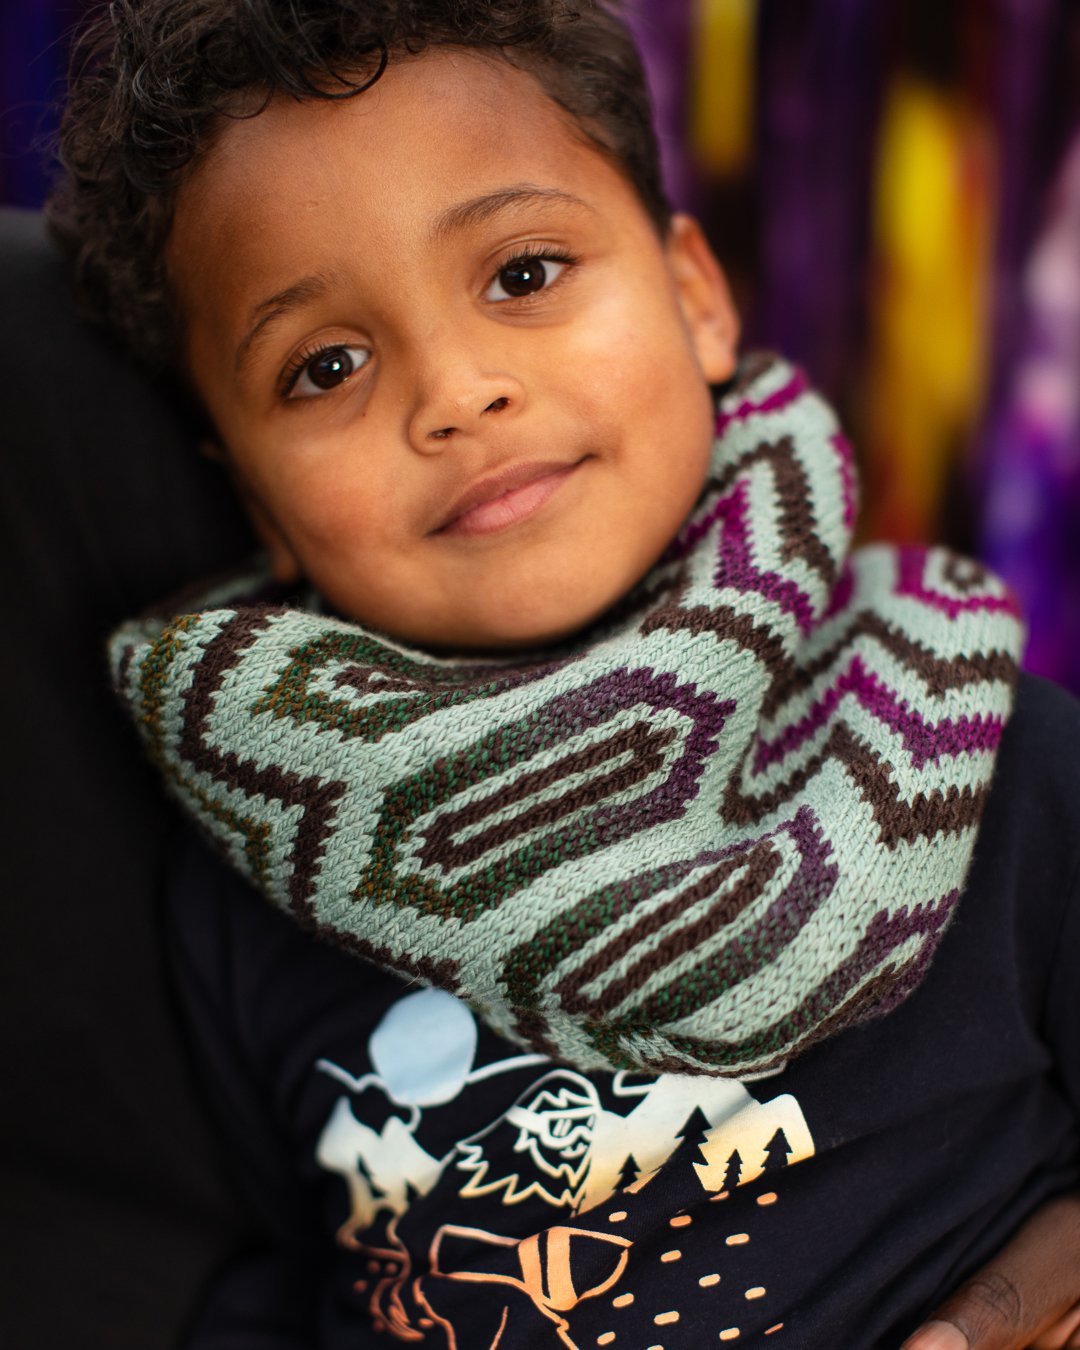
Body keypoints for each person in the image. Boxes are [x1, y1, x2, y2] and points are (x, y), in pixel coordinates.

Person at [47, 1, 1080, 1346]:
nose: (455, 391)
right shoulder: (241, 882)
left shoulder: (981, 752)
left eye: (524, 272)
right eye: (327, 366)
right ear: (251, 496)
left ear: (695, 297)